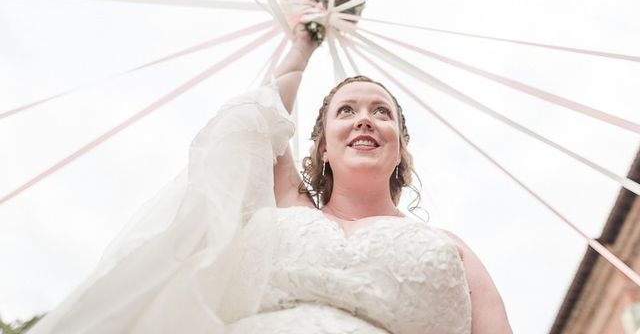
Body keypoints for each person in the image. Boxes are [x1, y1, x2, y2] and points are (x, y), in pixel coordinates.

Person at [30, 22, 512, 333]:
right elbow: (260, 116)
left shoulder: (454, 249)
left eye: (380, 112)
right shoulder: (287, 200)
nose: (364, 119)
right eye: (347, 111)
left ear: (401, 149)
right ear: (323, 147)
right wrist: (305, 39)